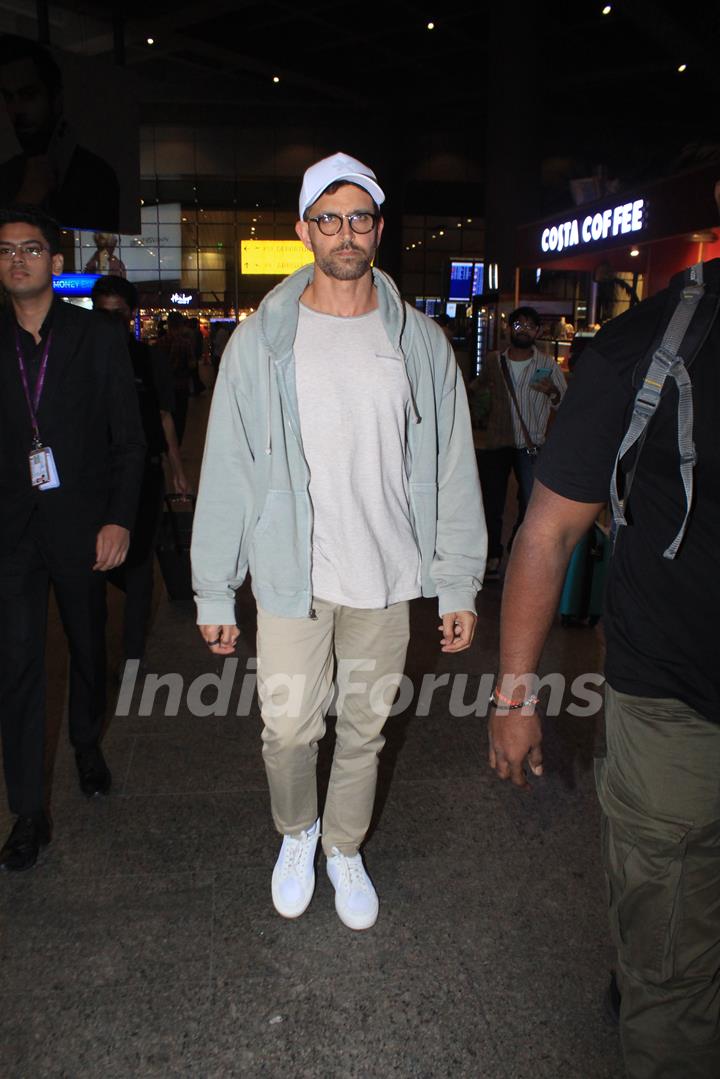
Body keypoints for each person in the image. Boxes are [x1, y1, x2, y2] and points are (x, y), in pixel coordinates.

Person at [191, 151, 486, 930]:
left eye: (359, 218)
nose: (345, 233)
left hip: (386, 574)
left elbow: (454, 467)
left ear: (378, 230)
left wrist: (456, 582)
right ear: (303, 231)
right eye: (329, 218)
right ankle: (299, 831)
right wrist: (215, 587)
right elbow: (226, 466)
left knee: (365, 727)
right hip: (294, 576)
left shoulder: (419, 343)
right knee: (288, 727)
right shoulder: (260, 343)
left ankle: (344, 847)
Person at [488, 194, 720, 1077]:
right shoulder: (649, 344)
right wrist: (515, 693)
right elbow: (545, 532)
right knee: (672, 972)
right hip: (676, 708)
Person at [0, 207, 145, 872]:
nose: (18, 261)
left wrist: (118, 516)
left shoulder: (95, 336)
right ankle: (29, 810)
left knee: (90, 648)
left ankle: (87, 742)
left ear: (55, 264)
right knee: (18, 664)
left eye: (31, 250)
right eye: (6, 251)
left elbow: (128, 434)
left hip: (83, 525)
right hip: (10, 535)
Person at [91, 275, 188, 666]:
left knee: (140, 569)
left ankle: (132, 655)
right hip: (93, 477)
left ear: (131, 315)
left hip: (143, 475)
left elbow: (164, 417)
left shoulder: (150, 360)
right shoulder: (81, 359)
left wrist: (176, 469)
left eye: (117, 314)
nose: (109, 321)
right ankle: (93, 650)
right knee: (91, 569)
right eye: (102, 313)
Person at [470, 306, 565, 579]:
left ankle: (515, 544)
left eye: (529, 326)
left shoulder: (547, 365)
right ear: (509, 329)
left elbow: (564, 401)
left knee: (529, 502)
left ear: (538, 332)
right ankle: (493, 556)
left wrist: (553, 392)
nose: (523, 330)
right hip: (497, 442)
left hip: (530, 444)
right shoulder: (493, 361)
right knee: (492, 503)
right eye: (518, 325)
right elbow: (480, 386)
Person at [0, 35, 120, 231]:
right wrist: (27, 198)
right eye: (8, 97)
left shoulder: (96, 176)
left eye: (28, 95)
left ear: (56, 98)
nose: (17, 110)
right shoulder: (8, 175)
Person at [153, 311, 193, 445]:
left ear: (168, 324)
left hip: (164, 387)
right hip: (181, 386)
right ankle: (177, 445)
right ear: (181, 325)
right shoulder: (186, 343)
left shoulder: (160, 342)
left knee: (165, 416)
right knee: (180, 419)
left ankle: (166, 446)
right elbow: (192, 364)